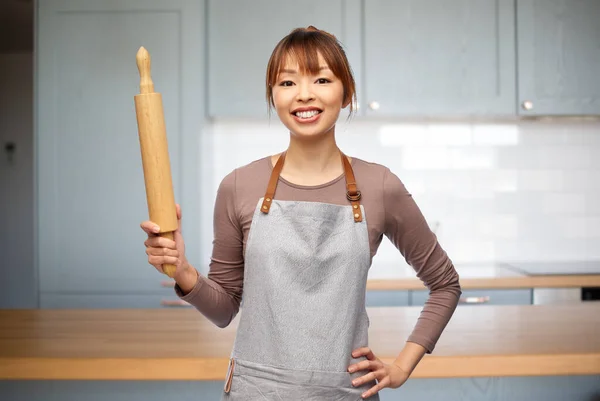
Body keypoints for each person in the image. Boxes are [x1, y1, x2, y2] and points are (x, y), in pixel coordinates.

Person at [140, 26, 461, 400]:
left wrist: (402, 365)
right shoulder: (239, 186)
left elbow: (445, 284)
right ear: (273, 96)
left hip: (345, 392)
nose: (304, 94)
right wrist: (184, 272)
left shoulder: (380, 186)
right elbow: (225, 307)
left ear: (346, 95)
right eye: (287, 82)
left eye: (322, 79)